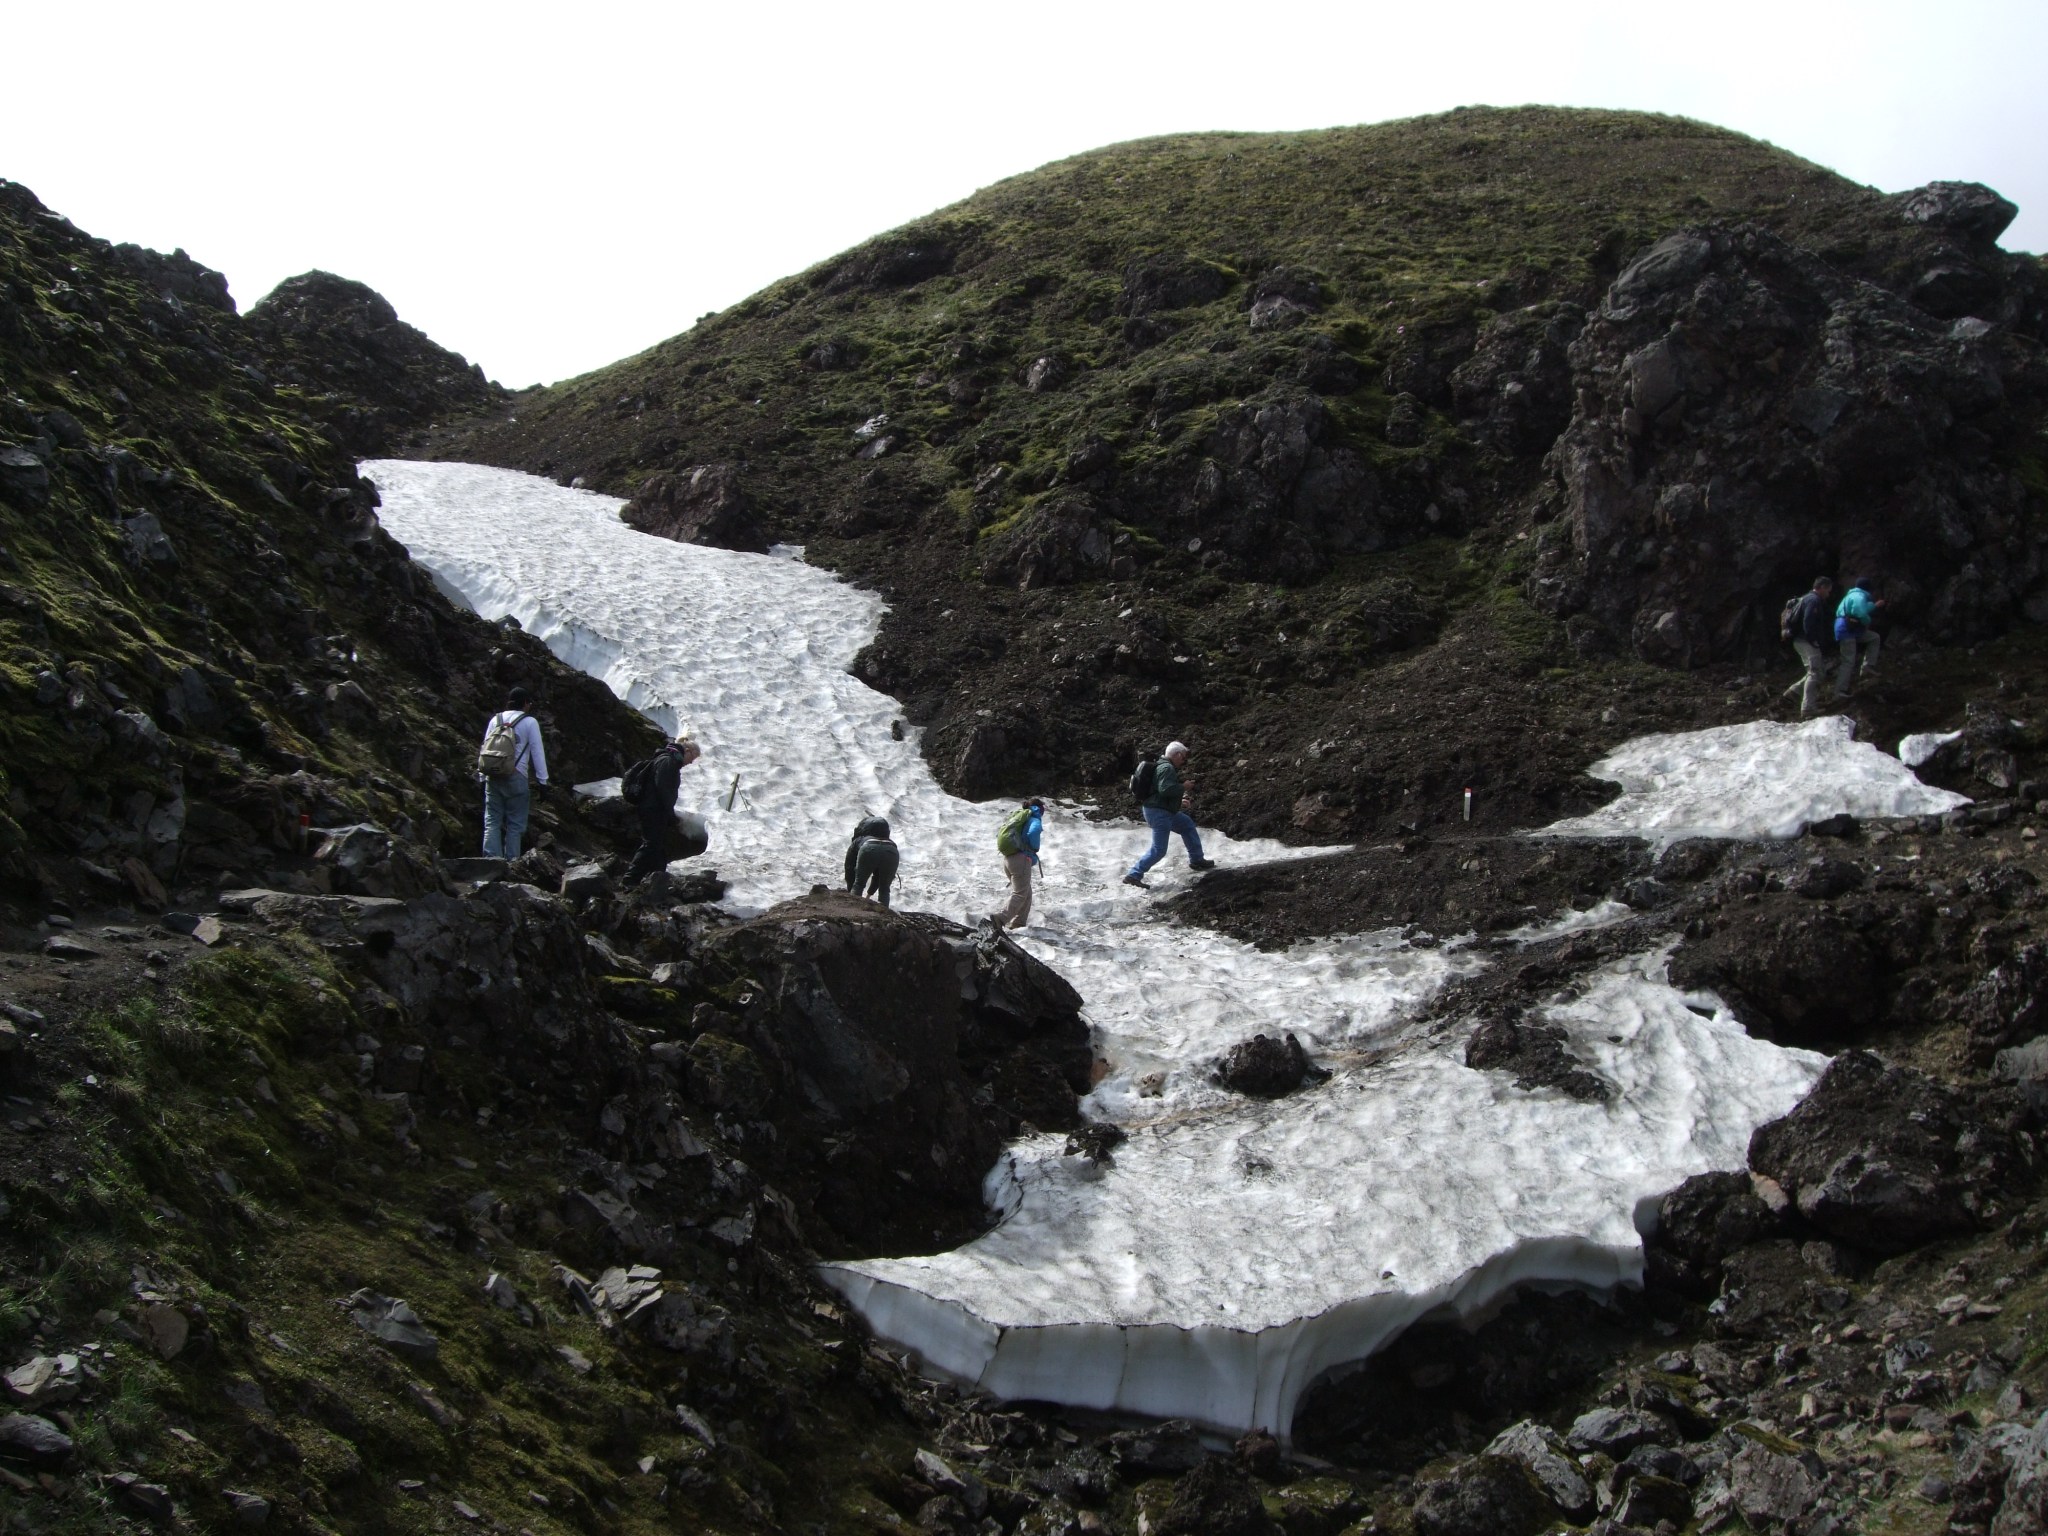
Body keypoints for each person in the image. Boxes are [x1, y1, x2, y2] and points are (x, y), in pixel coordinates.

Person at [1124, 740, 1216, 887]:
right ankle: (1133, 874)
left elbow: (1159, 793)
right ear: (1178, 754)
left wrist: (1178, 802)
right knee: (1159, 850)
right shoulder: (1167, 768)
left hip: (1162, 810)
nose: (1184, 761)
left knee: (1187, 824)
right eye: (1184, 757)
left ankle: (1197, 860)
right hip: (1159, 813)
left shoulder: (1162, 766)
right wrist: (1183, 787)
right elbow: (1165, 790)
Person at [479, 686, 547, 860]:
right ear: (525, 703)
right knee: (515, 824)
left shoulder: (496, 719)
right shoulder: (529, 722)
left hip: (492, 774)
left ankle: (491, 860)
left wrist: (481, 776)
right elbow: (537, 752)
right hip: (517, 775)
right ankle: (512, 863)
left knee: (492, 820)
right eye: (529, 703)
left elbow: (485, 747)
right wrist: (543, 781)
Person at [624, 736, 701, 886]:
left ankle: (658, 879)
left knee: (657, 844)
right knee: (651, 844)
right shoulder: (668, 762)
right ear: (687, 750)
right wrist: (669, 813)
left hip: (652, 808)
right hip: (653, 809)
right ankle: (630, 878)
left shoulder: (665, 759)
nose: (691, 762)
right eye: (693, 757)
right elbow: (664, 789)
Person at [989, 798, 1045, 930]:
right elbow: (1034, 831)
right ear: (1039, 809)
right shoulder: (1034, 819)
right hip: (1021, 859)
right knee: (1020, 893)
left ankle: (1019, 924)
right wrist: (1035, 847)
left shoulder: (1020, 817)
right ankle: (1001, 918)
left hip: (1008, 859)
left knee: (1026, 893)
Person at [1788, 575, 1836, 717]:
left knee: (1817, 671)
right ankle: (1808, 707)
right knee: (1815, 672)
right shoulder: (1813, 600)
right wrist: (1812, 639)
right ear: (1822, 588)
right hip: (1806, 641)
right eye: (1828, 591)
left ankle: (1794, 692)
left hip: (1800, 640)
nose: (1828, 594)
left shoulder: (1807, 598)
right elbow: (1808, 620)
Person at [1834, 577, 1885, 699]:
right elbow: (1860, 612)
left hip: (1849, 629)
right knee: (1848, 661)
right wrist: (1868, 621)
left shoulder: (1851, 595)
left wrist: (1874, 605)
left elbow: (1861, 608)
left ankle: (1867, 666)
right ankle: (1839, 691)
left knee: (1874, 638)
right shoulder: (1859, 596)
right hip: (1848, 631)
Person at [845, 815, 899, 908]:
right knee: (885, 889)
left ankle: (853, 909)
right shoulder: (889, 840)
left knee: (859, 884)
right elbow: (878, 877)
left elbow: (849, 868)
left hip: (868, 847)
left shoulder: (859, 840)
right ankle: (884, 913)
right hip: (892, 849)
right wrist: (869, 894)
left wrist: (850, 890)